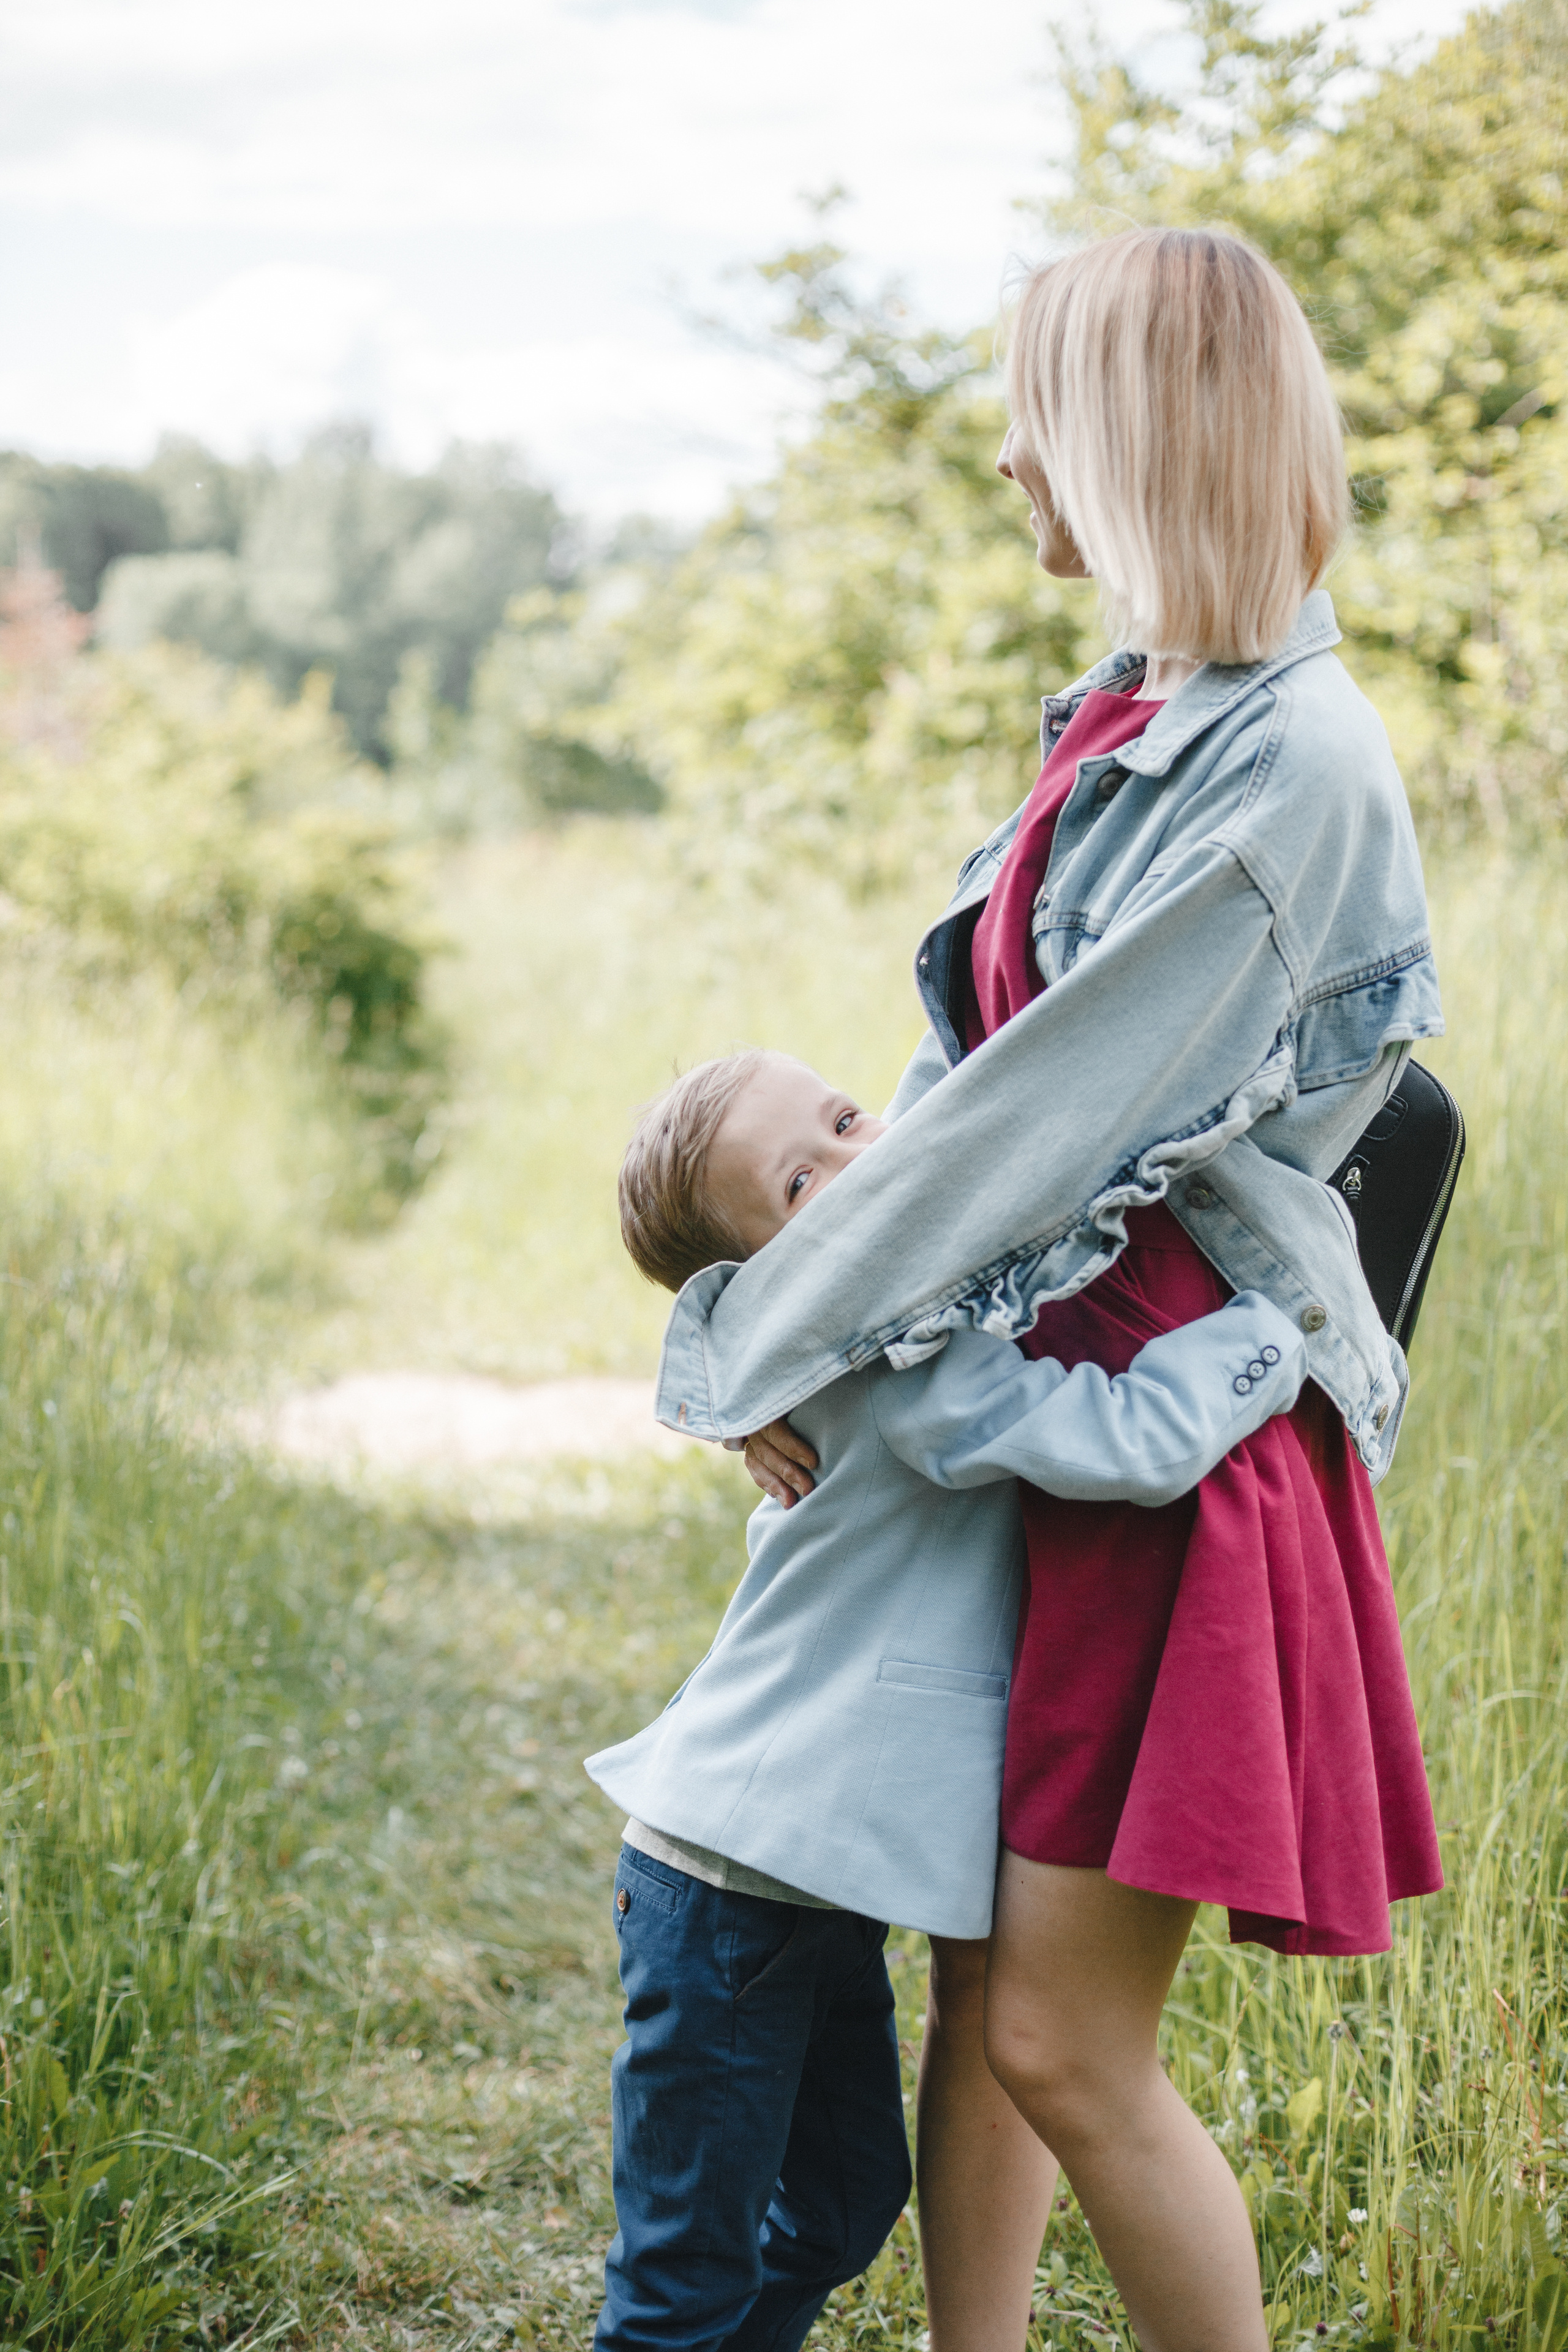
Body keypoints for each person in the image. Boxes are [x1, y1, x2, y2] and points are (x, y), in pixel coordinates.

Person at [652, 227, 1446, 2352]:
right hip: (1057, 1398)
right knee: (984, 1995)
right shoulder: (1140, 713)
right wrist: (795, 1302)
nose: (1010, 454)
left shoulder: (1292, 774)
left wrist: (756, 1331)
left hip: (1176, 1459)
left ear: (1131, 433)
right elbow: (947, 1080)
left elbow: (1025, 1140)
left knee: (1068, 2053)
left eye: (1040, 411)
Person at [586, 1044, 1310, 2352]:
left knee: (844, 2204)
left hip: (798, 1897)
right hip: (729, 1893)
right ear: (771, 1284)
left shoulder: (897, 1293)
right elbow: (1126, 1439)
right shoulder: (913, 1373)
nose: (866, 1158)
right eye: (803, 1183)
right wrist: (1277, 1330)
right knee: (683, 2274)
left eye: (850, 1117)